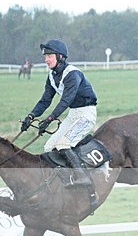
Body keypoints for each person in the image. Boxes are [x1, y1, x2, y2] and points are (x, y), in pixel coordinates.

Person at [19, 39, 98, 188]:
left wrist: (49, 119)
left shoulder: (72, 74)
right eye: (45, 56)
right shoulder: (51, 76)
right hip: (73, 114)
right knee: (49, 147)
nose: (46, 59)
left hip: (86, 114)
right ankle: (66, 180)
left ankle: (83, 177)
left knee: (62, 144)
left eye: (49, 56)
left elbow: (65, 101)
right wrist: (30, 116)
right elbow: (45, 100)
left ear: (60, 57)